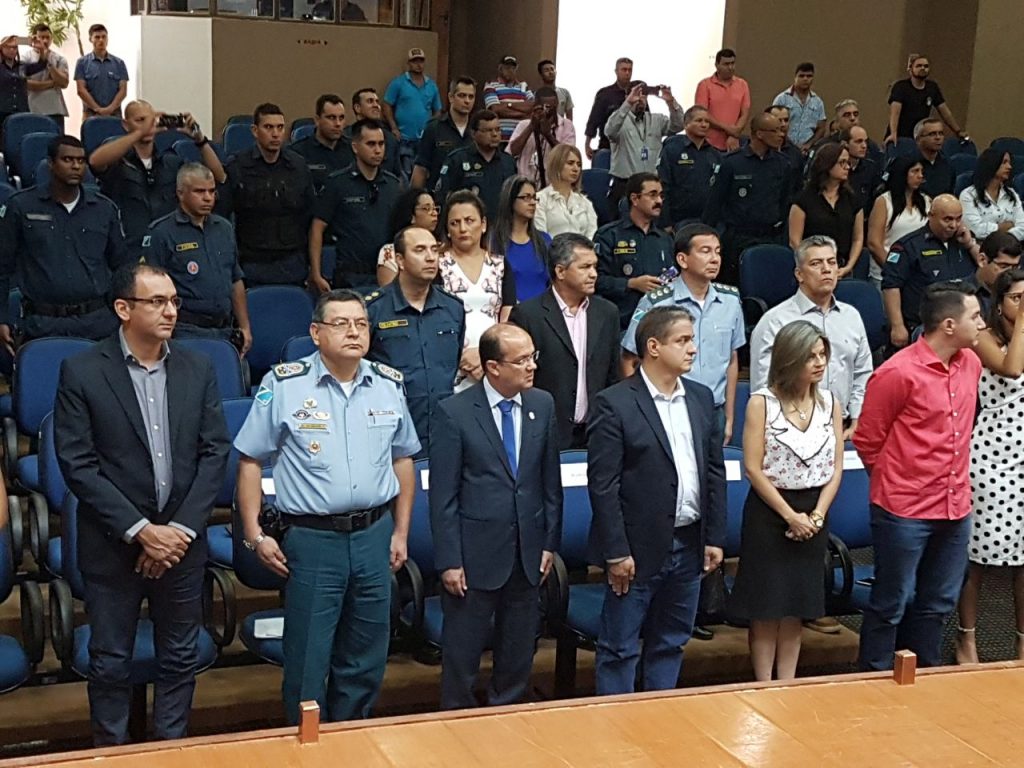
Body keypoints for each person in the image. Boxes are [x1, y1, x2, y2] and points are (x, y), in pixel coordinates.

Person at [54, 262, 230, 745]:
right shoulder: (83, 370)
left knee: (180, 657)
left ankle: (171, 750)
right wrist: (143, 532)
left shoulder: (198, 367)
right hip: (114, 544)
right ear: (123, 308)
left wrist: (179, 531)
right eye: (157, 301)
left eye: (174, 300)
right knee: (111, 661)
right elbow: (77, 463)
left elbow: (215, 452)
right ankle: (111, 753)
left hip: (182, 544)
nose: (170, 310)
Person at [234, 288, 419, 723]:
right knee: (308, 658)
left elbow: (403, 460)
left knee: (366, 655)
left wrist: (401, 532)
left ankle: (352, 736)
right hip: (314, 539)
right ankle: (307, 744)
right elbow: (250, 460)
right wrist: (254, 534)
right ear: (316, 333)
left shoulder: (388, 384)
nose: (354, 332)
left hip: (374, 534)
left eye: (361, 324)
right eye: (341, 324)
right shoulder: (284, 384)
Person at [587, 306, 726, 694]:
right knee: (619, 648)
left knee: (672, 642)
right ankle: (615, 724)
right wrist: (616, 551)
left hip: (690, 542)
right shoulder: (614, 402)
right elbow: (603, 485)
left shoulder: (700, 398)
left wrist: (714, 537)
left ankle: (660, 717)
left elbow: (714, 472)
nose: (693, 349)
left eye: (692, 340)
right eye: (682, 340)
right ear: (653, 347)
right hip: (636, 549)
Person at [854, 281, 985, 671]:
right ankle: (873, 679)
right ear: (949, 325)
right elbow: (868, 440)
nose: (982, 323)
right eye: (975, 316)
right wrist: (899, 479)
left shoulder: (971, 363)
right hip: (903, 508)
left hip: (955, 505)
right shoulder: (897, 373)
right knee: (891, 603)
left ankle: (926, 677)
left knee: (939, 603)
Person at [429, 322, 562, 710]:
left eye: (533, 357)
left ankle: (508, 718)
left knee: (518, 653)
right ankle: (456, 722)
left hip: (527, 553)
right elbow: (443, 495)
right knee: (462, 656)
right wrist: (450, 560)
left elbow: (549, 483)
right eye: (521, 360)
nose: (532, 366)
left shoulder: (542, 405)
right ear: (493, 367)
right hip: (473, 557)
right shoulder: (454, 412)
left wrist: (549, 544)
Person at [731, 320, 843, 680]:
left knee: (797, 605)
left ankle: (788, 683)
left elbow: (835, 468)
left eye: (822, 354)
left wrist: (817, 515)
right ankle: (764, 684)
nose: (819, 362)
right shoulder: (761, 403)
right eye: (811, 356)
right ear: (790, 359)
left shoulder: (830, 403)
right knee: (767, 607)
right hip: (770, 512)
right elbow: (752, 468)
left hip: (815, 512)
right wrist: (791, 516)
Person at [621, 224, 745, 443]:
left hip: (714, 410)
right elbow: (629, 359)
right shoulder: (656, 302)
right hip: (667, 408)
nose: (714, 259)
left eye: (717, 252)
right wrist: (639, 412)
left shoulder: (731, 301)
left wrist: (729, 417)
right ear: (682, 259)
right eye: (705, 251)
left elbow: (732, 360)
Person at [0, 135, 129, 343]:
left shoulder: (104, 209)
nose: (76, 166)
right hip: (42, 323)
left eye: (81, 161)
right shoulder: (21, 206)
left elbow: (121, 266)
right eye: (67, 160)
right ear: (51, 163)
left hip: (97, 323)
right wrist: (2, 318)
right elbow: (3, 267)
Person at [956, 269, 1024, 663]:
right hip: (993, 458)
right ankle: (966, 638)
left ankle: (1021, 640)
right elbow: (1012, 368)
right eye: (1017, 298)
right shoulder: (984, 336)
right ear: (998, 304)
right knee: (977, 555)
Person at [750, 236, 872, 442]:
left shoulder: (851, 316)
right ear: (799, 274)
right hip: (790, 430)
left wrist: (857, 419)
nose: (826, 269)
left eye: (832, 262)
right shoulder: (775, 321)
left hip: (844, 429)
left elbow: (862, 373)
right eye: (816, 263)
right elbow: (763, 385)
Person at [509, 233, 620, 449]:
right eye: (585, 267)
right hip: (544, 432)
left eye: (595, 267)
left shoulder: (607, 313)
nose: (593, 274)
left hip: (597, 432)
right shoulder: (528, 315)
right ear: (560, 271)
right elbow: (519, 379)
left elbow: (612, 374)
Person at [366, 225, 465, 456]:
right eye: (420, 250)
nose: (430, 257)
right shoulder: (373, 310)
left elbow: (453, 363)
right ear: (400, 260)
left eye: (434, 250)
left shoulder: (453, 307)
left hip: (443, 430)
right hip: (390, 431)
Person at [90, 100, 225, 260]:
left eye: (151, 120)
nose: (148, 125)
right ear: (126, 125)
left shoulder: (170, 162)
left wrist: (199, 139)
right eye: (140, 120)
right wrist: (140, 132)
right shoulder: (118, 162)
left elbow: (218, 176)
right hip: (128, 248)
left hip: (167, 247)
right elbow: (95, 161)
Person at [142, 164, 251, 353]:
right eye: (199, 191)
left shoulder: (224, 228)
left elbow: (235, 280)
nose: (208, 197)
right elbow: (152, 292)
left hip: (226, 330)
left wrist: (245, 326)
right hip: (185, 331)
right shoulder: (162, 233)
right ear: (180, 193)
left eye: (212, 191)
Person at [225, 103, 315, 287]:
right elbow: (225, 212)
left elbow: (310, 213)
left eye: (280, 127)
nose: (275, 134)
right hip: (253, 261)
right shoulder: (238, 166)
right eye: (268, 127)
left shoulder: (298, 166)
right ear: (255, 130)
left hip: (293, 261)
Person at [310, 119, 402, 292]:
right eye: (371, 144)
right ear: (355, 147)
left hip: (387, 274)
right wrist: (316, 273)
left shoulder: (393, 185)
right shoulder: (337, 183)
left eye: (381, 144)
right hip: (350, 275)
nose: (378, 150)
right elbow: (317, 228)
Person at [702, 112, 792, 286]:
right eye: (775, 131)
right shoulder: (732, 162)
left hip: (770, 236)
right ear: (759, 134)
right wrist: (707, 236)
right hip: (739, 236)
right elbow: (715, 202)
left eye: (781, 130)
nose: (781, 135)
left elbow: (785, 200)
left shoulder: (783, 164)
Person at [438, 190, 515, 392]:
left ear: (483, 224)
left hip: (494, 360)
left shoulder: (500, 265)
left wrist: (486, 355)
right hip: (451, 360)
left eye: (469, 220)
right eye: (455, 223)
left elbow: (507, 315)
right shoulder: (437, 265)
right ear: (447, 230)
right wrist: (462, 356)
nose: (462, 228)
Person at [882, 194, 981, 348]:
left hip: (964, 321)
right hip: (926, 326)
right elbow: (891, 286)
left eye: (958, 219)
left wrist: (970, 244)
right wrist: (897, 326)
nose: (954, 225)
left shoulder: (963, 240)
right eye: (947, 219)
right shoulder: (909, 246)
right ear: (930, 216)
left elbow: (985, 267)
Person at [594, 172, 674, 328]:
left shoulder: (665, 239)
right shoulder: (609, 235)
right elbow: (595, 281)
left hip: (659, 322)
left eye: (661, 196)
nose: (659, 201)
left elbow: (674, 274)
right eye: (652, 195)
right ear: (635, 199)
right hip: (622, 321)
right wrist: (630, 284)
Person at [604, 82, 684, 211]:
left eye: (644, 95)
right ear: (627, 97)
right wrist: (628, 103)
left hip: (652, 184)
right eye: (637, 94)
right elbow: (610, 131)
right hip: (625, 184)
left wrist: (671, 102)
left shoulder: (657, 120)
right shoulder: (618, 119)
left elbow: (679, 125)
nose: (640, 99)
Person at [788, 142, 865, 276]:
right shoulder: (804, 199)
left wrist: (848, 267)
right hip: (812, 268)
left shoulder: (852, 200)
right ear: (827, 164)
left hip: (842, 267)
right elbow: (795, 241)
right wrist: (813, 264)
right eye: (842, 162)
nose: (847, 167)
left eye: (848, 163)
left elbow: (857, 238)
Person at [435, 109, 517, 219]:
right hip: (468, 223)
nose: (494, 134)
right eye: (488, 130)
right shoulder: (457, 160)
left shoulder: (508, 162)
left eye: (497, 130)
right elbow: (443, 196)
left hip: (502, 224)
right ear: (473, 133)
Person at [867, 155, 930, 290]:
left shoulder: (926, 201)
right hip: (887, 273)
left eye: (921, 171)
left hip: (917, 275)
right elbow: (874, 244)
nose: (920, 176)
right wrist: (894, 270)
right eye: (915, 171)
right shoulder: (884, 201)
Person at [382, 48, 443, 178]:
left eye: (421, 61)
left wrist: (431, 127)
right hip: (404, 139)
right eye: (415, 61)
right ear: (409, 63)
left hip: (425, 140)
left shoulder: (432, 85)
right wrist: (393, 127)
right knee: (405, 175)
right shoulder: (398, 83)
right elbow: (386, 105)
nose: (418, 64)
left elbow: (438, 110)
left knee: (424, 173)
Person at [657, 106, 722, 229]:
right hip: (678, 220)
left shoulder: (715, 155)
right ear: (686, 124)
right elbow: (663, 186)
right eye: (699, 121)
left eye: (707, 121)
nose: (704, 125)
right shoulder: (672, 150)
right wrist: (665, 222)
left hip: (708, 221)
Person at [489, 175, 551, 302]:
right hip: (509, 310)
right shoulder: (494, 241)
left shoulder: (544, 240)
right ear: (511, 200)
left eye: (534, 198)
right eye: (526, 197)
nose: (532, 202)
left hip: (543, 309)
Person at [411, 76, 475, 191]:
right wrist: (414, 198)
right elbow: (421, 169)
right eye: (462, 95)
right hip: (439, 195)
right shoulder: (433, 128)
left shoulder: (477, 129)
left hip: (470, 196)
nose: (467, 101)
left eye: (471, 97)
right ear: (451, 97)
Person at [885, 54, 967, 144]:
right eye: (919, 66)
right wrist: (893, 133)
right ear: (911, 69)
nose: (923, 68)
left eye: (926, 66)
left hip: (920, 138)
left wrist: (958, 131)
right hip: (900, 137)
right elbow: (895, 113)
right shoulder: (901, 87)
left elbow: (945, 112)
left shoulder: (932, 87)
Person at [506, 86, 575, 187]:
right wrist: (531, 127)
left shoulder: (566, 125)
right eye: (544, 107)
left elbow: (568, 156)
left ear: (557, 104)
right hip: (526, 185)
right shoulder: (523, 125)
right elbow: (512, 152)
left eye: (551, 107)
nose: (547, 111)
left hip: (554, 186)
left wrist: (548, 135)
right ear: (536, 105)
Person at [376, 187, 439, 286]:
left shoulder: (442, 248)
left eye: (435, 208)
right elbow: (388, 291)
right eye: (426, 209)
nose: (434, 213)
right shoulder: (391, 251)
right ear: (411, 215)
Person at [534, 143, 598, 239]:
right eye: (570, 163)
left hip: (582, 248)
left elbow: (592, 235)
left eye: (579, 165)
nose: (576, 169)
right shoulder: (540, 199)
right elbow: (540, 235)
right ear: (557, 165)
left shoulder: (585, 203)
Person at [289, 94, 349, 194]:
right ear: (317, 120)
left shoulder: (355, 149)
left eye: (341, 118)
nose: (338, 123)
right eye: (331, 118)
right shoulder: (298, 152)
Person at [960, 149, 1024, 241]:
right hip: (981, 247)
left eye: (1009, 163)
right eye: (1004, 162)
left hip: (1011, 246)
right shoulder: (968, 195)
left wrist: (1002, 236)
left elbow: (1022, 227)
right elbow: (976, 230)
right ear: (992, 163)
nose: (1009, 167)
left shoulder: (1012, 194)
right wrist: (1001, 227)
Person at [339, 88, 403, 180]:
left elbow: (397, 174)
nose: (376, 105)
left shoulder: (390, 139)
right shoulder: (345, 137)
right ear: (357, 108)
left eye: (377, 102)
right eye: (370, 101)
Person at [694, 48, 750, 152]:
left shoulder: (742, 84)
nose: (730, 67)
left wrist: (734, 134)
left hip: (733, 143)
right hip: (709, 143)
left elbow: (744, 114)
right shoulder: (705, 85)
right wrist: (728, 129)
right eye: (726, 64)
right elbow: (702, 114)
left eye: (733, 63)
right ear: (717, 65)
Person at [74, 24, 128, 119]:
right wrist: (97, 109)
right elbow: (81, 90)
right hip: (91, 114)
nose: (101, 40)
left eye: (104, 37)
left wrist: (110, 109)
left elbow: (123, 90)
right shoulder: (82, 63)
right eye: (97, 37)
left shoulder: (119, 63)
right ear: (90, 39)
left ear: (107, 39)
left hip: (114, 114)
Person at [584, 57, 633, 160]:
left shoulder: (637, 94)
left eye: (630, 70)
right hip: (608, 145)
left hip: (632, 146)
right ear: (616, 71)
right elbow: (594, 119)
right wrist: (587, 144)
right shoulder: (605, 94)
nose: (627, 73)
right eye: (624, 69)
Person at [772, 62, 826, 152]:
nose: (805, 79)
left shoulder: (818, 102)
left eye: (809, 76)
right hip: (784, 148)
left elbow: (821, 128)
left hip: (807, 150)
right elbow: (773, 124)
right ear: (795, 77)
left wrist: (808, 144)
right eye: (801, 76)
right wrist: (789, 144)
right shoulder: (782, 99)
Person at [24, 24, 69, 133]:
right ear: (34, 38)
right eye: (41, 37)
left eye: (47, 37)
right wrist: (52, 83)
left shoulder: (59, 59)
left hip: (55, 110)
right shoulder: (25, 58)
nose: (44, 41)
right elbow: (26, 84)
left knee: (57, 142)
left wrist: (47, 61)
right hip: (33, 110)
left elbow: (64, 83)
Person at [966, 232, 1023, 316]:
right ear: (982, 260)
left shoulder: (1021, 292)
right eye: (1003, 266)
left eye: (1015, 267)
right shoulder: (961, 294)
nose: (1011, 273)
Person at [0, 35, 47, 131]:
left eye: (14, 47)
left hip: (21, 110)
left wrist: (41, 49)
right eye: (8, 47)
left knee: (21, 135)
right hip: (2, 111)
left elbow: (41, 65)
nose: (12, 50)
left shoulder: (22, 66)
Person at [482, 56, 534, 144]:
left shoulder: (524, 86)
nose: (510, 70)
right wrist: (523, 112)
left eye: (513, 68)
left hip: (521, 140)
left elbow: (532, 107)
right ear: (500, 68)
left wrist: (508, 105)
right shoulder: (491, 85)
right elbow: (496, 109)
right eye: (507, 68)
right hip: (501, 140)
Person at [914, 117, 956, 198]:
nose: (938, 137)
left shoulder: (948, 164)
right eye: (932, 134)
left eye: (941, 133)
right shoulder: (908, 163)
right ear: (918, 139)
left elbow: (950, 194)